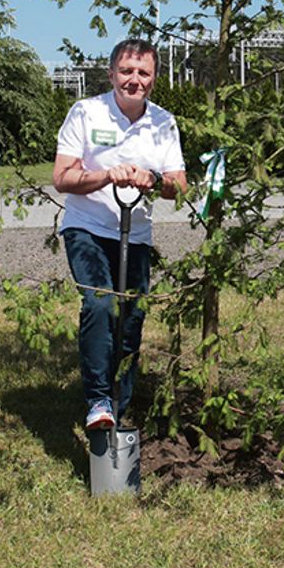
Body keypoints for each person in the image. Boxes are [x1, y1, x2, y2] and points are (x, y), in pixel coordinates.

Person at [53, 38, 187, 430]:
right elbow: (62, 177)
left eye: (143, 73)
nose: (134, 80)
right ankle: (98, 400)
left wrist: (154, 179)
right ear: (111, 73)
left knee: (131, 318)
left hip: (136, 234)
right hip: (88, 228)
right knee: (98, 304)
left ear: (155, 78)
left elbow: (179, 185)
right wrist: (105, 175)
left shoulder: (163, 122)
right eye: (126, 71)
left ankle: (120, 404)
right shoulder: (87, 112)